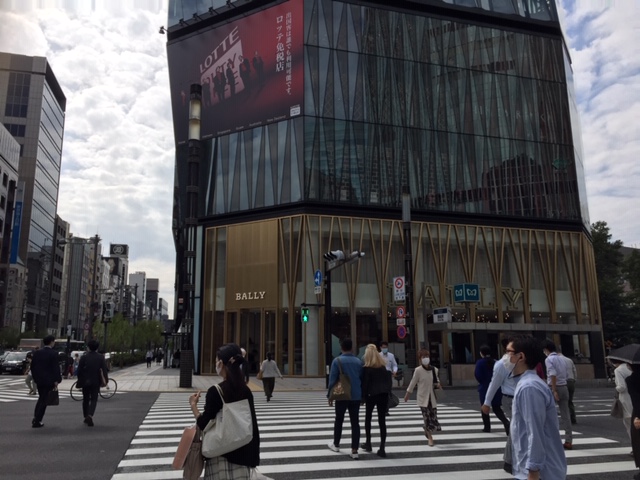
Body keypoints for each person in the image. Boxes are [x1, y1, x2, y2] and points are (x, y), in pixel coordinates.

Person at [189, 343, 260, 479]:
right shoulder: (245, 390)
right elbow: (253, 425)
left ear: (221, 363)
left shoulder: (216, 391)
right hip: (242, 456)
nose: (215, 364)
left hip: (220, 457)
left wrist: (193, 406)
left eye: (216, 360)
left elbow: (204, 423)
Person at [508, 335, 567, 479]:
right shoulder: (528, 384)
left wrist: (533, 470)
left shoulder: (529, 387)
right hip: (534, 470)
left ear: (520, 356)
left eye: (508, 352)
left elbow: (535, 431)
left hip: (541, 473)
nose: (505, 358)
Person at [482, 339, 519, 473]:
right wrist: (487, 402)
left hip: (521, 397)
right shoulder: (501, 365)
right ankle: (509, 460)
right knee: (516, 429)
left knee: (518, 429)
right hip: (509, 399)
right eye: (510, 350)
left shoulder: (521, 361)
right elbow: (494, 383)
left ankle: (513, 460)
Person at [327, 338, 363, 459]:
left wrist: (330, 395)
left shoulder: (337, 361)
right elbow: (362, 378)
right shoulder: (358, 362)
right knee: (355, 422)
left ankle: (336, 444)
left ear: (341, 348)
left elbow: (332, 379)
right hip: (356, 395)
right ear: (352, 348)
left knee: (339, 419)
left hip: (341, 395)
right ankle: (354, 450)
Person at [404, 348, 442, 447]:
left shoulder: (434, 369)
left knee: (433, 417)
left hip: (432, 398)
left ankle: (426, 429)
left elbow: (437, 381)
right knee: (426, 417)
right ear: (420, 359)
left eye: (427, 356)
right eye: (423, 357)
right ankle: (430, 438)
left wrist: (438, 385)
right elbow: (413, 383)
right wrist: (407, 394)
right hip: (422, 398)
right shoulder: (418, 370)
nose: (426, 358)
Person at [361, 344, 392, 457]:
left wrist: (363, 397)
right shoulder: (383, 367)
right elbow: (388, 382)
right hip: (383, 395)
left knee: (368, 418)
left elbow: (365, 384)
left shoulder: (367, 368)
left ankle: (368, 443)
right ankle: (382, 447)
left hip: (371, 395)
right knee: (382, 421)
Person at [542, 339, 572, 449]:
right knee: (566, 414)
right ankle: (568, 440)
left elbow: (552, 374)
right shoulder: (563, 359)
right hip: (564, 386)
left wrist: (554, 390)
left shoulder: (549, 359)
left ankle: (551, 440)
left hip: (553, 387)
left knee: (549, 414)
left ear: (546, 349)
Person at [475, 344, 510, 434]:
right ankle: (506, 422)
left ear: (481, 353)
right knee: (497, 408)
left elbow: (478, 375)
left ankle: (487, 427)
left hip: (484, 387)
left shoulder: (480, 362)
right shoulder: (496, 361)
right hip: (497, 388)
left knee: (484, 407)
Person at [29, 335, 62, 428]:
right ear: (51, 342)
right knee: (44, 400)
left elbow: (33, 366)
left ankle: (36, 417)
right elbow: (55, 368)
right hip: (49, 380)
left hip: (39, 380)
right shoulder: (54, 353)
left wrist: (35, 377)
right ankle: (37, 420)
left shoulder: (37, 352)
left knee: (41, 398)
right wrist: (57, 380)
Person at [76, 339, 109, 427]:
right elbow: (104, 370)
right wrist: (105, 380)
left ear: (88, 347)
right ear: (97, 348)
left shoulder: (84, 357)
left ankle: (86, 415)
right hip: (96, 381)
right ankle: (90, 415)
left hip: (85, 381)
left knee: (86, 399)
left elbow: (79, 370)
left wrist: (80, 380)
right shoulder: (100, 357)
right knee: (94, 399)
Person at [626, 364, 640, 480]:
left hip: (639, 412)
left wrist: (638, 417)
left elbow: (636, 399)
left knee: (638, 441)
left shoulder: (631, 379)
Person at [614, 361, 633, 441]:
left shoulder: (618, 370)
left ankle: (635, 446)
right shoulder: (632, 367)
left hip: (626, 398)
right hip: (635, 397)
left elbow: (622, 387)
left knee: (629, 424)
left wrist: (616, 388)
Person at [561, 352, 578, 424]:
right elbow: (574, 371)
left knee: (562, 401)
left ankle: (566, 418)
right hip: (571, 381)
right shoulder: (569, 360)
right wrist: (574, 380)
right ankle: (572, 417)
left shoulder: (557, 360)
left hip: (563, 382)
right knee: (570, 401)